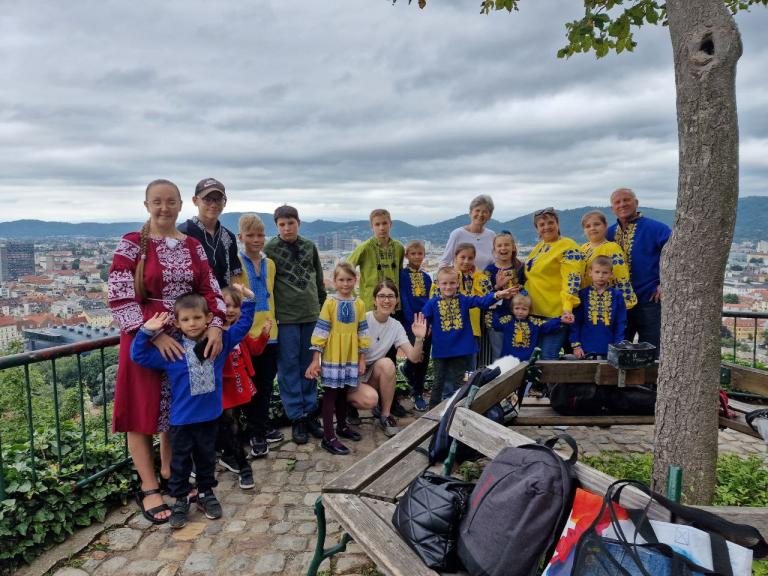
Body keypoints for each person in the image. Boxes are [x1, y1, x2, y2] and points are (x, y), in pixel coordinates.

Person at [108, 179, 226, 525]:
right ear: (146, 205)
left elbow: (210, 288)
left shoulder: (192, 245)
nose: (164, 208)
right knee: (142, 412)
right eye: (157, 202)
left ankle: (174, 476)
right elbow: (119, 294)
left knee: (177, 411)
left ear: (180, 205)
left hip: (187, 339)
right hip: (145, 338)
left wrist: (216, 325)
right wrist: (154, 334)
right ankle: (149, 487)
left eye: (170, 201)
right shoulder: (132, 243)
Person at [130, 284, 255, 529]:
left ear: (208, 318)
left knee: (206, 458)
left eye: (197, 318)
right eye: (186, 319)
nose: (192, 323)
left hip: (209, 417)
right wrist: (146, 331)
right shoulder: (173, 352)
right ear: (177, 323)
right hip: (182, 420)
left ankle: (206, 493)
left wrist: (249, 301)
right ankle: (181, 498)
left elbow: (242, 327)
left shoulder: (218, 344)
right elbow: (139, 356)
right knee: (180, 462)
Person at [264, 205, 326, 445]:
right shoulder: (270, 249)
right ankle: (296, 416)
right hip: (286, 317)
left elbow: (318, 278)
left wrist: (322, 307)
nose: (287, 228)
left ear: (298, 223)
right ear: (276, 226)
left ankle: (310, 412)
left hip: (311, 314)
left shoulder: (309, 246)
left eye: (291, 223)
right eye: (282, 224)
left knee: (309, 365)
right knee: (288, 366)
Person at [422, 266, 515, 408]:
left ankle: (456, 409)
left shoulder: (464, 300)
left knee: (460, 381)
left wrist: (497, 295)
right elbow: (422, 320)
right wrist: (424, 330)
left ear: (457, 283)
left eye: (452, 283)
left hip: (461, 349)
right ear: (438, 284)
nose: (448, 286)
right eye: (444, 283)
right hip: (441, 350)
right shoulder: (432, 304)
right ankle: (433, 410)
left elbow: (482, 301)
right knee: (438, 381)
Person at [347, 280, 427, 437]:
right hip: (351, 374)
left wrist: (419, 338)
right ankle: (345, 402)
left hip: (369, 373)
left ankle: (385, 415)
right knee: (370, 400)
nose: (386, 300)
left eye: (390, 296)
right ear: (374, 300)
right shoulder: (363, 319)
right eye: (381, 296)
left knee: (387, 364)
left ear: (396, 301)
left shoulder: (395, 326)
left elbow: (413, 357)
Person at [305, 263, 369, 455]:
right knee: (331, 394)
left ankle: (342, 426)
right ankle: (328, 437)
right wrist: (316, 359)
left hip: (350, 355)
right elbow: (321, 330)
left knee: (343, 392)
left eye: (349, 279)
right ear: (334, 281)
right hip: (333, 356)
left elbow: (362, 331)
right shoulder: (330, 303)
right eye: (341, 280)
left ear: (355, 280)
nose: (345, 284)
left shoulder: (359, 304)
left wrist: (362, 358)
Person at [235, 214, 284, 458]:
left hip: (270, 331)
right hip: (246, 334)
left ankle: (260, 426)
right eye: (251, 235)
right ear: (241, 237)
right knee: (250, 385)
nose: (256, 240)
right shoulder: (236, 263)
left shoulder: (270, 264)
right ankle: (255, 432)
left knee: (265, 384)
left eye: (260, 235)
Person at [217, 286, 271, 489]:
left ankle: (229, 453)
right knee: (230, 422)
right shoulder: (215, 334)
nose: (230, 310)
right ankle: (243, 466)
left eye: (234, 306)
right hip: (225, 387)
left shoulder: (240, 333)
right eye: (226, 305)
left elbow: (255, 350)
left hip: (240, 385)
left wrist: (264, 336)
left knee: (236, 420)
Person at [607, 188, 671, 356]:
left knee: (652, 351)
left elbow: (678, 256)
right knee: (618, 351)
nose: (622, 204)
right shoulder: (608, 233)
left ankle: (652, 375)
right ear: (612, 208)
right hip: (619, 303)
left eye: (626, 200)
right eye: (617, 202)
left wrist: (665, 284)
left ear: (636, 203)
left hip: (649, 300)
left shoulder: (657, 229)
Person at [522, 207, 581, 360]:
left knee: (548, 358)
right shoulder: (540, 247)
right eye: (542, 224)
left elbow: (572, 280)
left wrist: (567, 308)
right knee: (534, 359)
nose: (546, 227)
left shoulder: (568, 246)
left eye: (550, 222)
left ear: (557, 224)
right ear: (537, 229)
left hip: (555, 314)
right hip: (534, 313)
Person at [177, 178, 241, 288]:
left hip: (224, 297)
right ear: (195, 200)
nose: (214, 205)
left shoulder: (229, 237)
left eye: (219, 199)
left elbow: (234, 274)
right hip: (193, 298)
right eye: (207, 199)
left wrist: (235, 294)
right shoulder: (183, 233)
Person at [347, 208, 405, 312]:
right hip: (371, 306)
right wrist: (353, 297)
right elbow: (346, 269)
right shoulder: (364, 248)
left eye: (384, 223)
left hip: (394, 305)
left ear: (390, 224)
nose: (381, 228)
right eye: (377, 224)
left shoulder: (399, 248)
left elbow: (400, 274)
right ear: (372, 226)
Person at [570, 256, 628, 359]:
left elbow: (621, 322)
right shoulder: (582, 294)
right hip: (585, 348)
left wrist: (618, 345)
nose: (600, 276)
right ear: (590, 272)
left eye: (605, 273)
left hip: (610, 347)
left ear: (611, 274)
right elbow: (576, 322)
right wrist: (576, 345)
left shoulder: (617, 295)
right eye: (597, 272)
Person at [579, 210, 636, 311]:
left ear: (605, 226)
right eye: (588, 226)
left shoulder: (612, 248)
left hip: (607, 304)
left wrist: (622, 303)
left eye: (597, 224)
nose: (592, 228)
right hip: (586, 301)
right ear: (584, 230)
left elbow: (621, 276)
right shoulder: (583, 248)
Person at [399, 240, 432, 412]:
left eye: (420, 254)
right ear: (407, 255)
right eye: (413, 254)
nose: (417, 257)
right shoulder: (402, 275)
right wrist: (410, 321)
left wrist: (429, 321)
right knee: (416, 356)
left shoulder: (426, 277)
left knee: (424, 359)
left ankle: (417, 391)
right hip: (410, 322)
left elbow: (430, 301)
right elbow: (404, 299)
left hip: (426, 322)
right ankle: (415, 387)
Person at [492, 292, 570, 361]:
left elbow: (547, 326)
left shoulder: (534, 323)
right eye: (517, 308)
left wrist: (560, 320)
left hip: (528, 361)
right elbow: (495, 324)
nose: (520, 312)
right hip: (508, 361)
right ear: (512, 309)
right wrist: (495, 309)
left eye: (524, 309)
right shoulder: (507, 321)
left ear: (529, 310)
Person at [485, 231, 525, 360]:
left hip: (518, 318)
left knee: (518, 355)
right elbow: (485, 297)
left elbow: (528, 290)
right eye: (499, 245)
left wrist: (520, 294)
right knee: (499, 355)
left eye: (507, 245)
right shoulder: (489, 271)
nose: (503, 248)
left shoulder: (521, 268)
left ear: (513, 247)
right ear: (494, 249)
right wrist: (497, 287)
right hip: (495, 319)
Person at [439, 195, 496, 270]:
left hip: (487, 277)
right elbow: (444, 263)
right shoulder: (457, 234)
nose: (480, 214)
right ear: (470, 213)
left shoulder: (492, 235)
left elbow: (497, 262)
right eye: (477, 210)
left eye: (485, 212)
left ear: (490, 216)